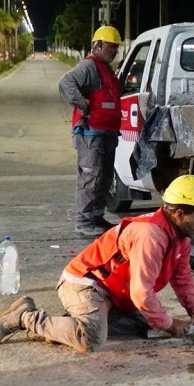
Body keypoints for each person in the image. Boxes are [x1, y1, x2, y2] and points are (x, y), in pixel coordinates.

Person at [0, 175, 194, 352]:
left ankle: (67, 326)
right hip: (85, 285)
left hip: (113, 294)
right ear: (178, 214)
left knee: (149, 328)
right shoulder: (151, 235)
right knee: (92, 340)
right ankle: (26, 317)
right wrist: (169, 324)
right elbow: (141, 293)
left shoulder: (180, 237)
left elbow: (182, 278)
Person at [58, 26, 123, 237]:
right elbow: (66, 83)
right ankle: (84, 221)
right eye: (111, 46)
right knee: (90, 176)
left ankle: (96, 217)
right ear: (98, 45)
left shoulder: (107, 69)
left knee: (104, 178)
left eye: (116, 47)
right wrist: (82, 105)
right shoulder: (89, 66)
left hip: (107, 133)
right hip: (90, 133)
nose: (114, 51)